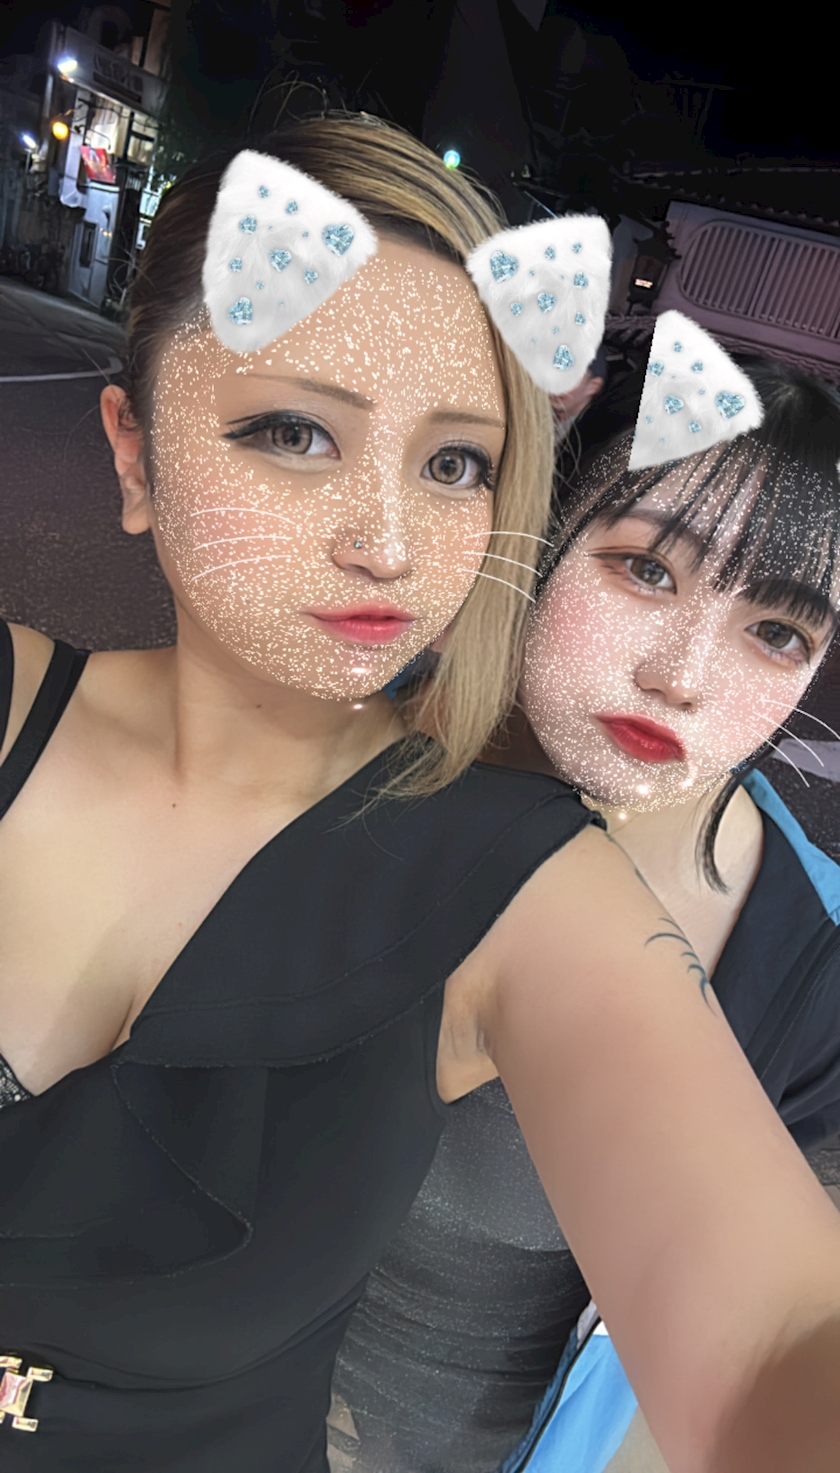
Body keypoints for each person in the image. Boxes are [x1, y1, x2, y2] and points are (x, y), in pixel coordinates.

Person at [1, 114, 840, 1473]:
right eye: (295, 431)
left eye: (454, 463)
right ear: (135, 453)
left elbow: (772, 1338)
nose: (388, 543)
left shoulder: (525, 884)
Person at [328, 357, 840, 1473]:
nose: (682, 674)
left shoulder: (810, 966)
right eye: (647, 568)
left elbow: (779, 1328)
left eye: (777, 632)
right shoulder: (316, 758)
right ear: (540, 532)